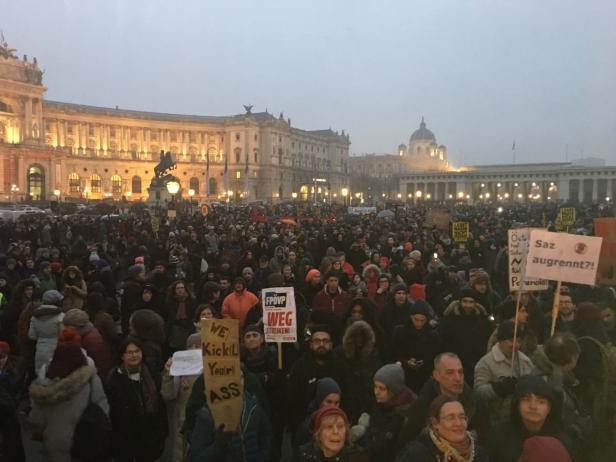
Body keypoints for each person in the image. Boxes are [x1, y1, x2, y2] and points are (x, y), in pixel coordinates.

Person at [29, 342, 109, 462]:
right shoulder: (90, 381)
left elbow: (36, 419)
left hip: (54, 444)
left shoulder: (43, 389)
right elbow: (102, 408)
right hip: (85, 442)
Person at [398, 353, 491, 444]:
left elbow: (488, 441)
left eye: (460, 372)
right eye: (450, 372)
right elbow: (407, 446)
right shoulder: (421, 407)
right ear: (436, 375)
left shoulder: (476, 403)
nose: (458, 378)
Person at [105, 337, 168, 462]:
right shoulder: (115, 379)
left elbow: (160, 402)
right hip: (125, 436)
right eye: (129, 352)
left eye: (137, 351)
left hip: (150, 434)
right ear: (122, 356)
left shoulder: (150, 373)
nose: (134, 355)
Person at [188, 371, 272, 462]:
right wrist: (218, 445)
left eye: (241, 377)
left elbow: (266, 434)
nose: (237, 382)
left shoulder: (253, 405)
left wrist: (263, 457)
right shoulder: (207, 415)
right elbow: (196, 458)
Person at [486, 376, 574, 462]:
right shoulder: (498, 434)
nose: (533, 406)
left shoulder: (561, 442)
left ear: (549, 408)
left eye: (541, 402)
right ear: (517, 405)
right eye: (526, 399)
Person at [474, 320, 534, 424]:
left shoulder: (525, 361)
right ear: (500, 341)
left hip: (522, 419)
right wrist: (498, 388)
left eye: (518, 341)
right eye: (511, 340)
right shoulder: (485, 363)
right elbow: (478, 392)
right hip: (496, 420)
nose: (515, 345)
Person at [395, 395, 489, 462]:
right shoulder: (416, 454)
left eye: (462, 417)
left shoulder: (479, 454)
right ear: (435, 423)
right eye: (450, 418)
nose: (458, 423)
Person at [356, 363, 415, 460]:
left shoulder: (404, 414)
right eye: (375, 386)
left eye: (381, 388)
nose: (376, 392)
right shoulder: (383, 404)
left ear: (393, 390)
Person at [287, 325, 339, 434]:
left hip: (335, 425)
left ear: (331, 344)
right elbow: (293, 401)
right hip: (307, 427)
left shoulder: (340, 366)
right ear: (311, 344)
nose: (321, 344)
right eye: (317, 341)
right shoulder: (299, 367)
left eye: (325, 341)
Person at [161, 333, 202, 462]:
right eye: (191, 346)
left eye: (199, 346)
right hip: (183, 423)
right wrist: (168, 375)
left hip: (205, 420)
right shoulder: (179, 368)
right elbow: (167, 395)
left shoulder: (214, 368)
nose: (194, 349)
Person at [440, 288, 493, 385]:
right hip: (456, 363)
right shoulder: (450, 319)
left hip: (476, 363)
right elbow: (444, 341)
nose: (468, 305)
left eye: (471, 302)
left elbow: (487, 339)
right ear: (460, 301)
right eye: (465, 301)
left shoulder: (482, 319)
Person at [333, 320, 381, 424]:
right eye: (356, 335)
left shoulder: (373, 354)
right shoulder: (339, 354)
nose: (359, 339)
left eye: (362, 335)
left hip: (367, 404)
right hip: (345, 403)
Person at [389, 300, 440, 392]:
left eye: (422, 320)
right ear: (411, 317)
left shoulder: (432, 336)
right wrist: (405, 362)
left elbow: (435, 357)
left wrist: (424, 363)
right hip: (403, 377)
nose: (419, 323)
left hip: (424, 379)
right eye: (416, 319)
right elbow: (392, 354)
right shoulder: (400, 332)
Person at [63, 308, 113, 379]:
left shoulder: (90, 340)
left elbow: (96, 364)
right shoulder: (88, 332)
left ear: (76, 326)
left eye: (67, 327)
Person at [28, 289, 65, 373]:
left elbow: (32, 336)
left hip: (40, 351)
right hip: (56, 351)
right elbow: (63, 335)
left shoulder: (35, 316)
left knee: (41, 377)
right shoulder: (61, 316)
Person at [165, 280, 197, 351]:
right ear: (174, 290)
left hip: (189, 328)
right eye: (178, 288)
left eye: (182, 288)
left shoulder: (192, 300)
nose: (180, 290)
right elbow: (169, 316)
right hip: (175, 329)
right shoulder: (169, 301)